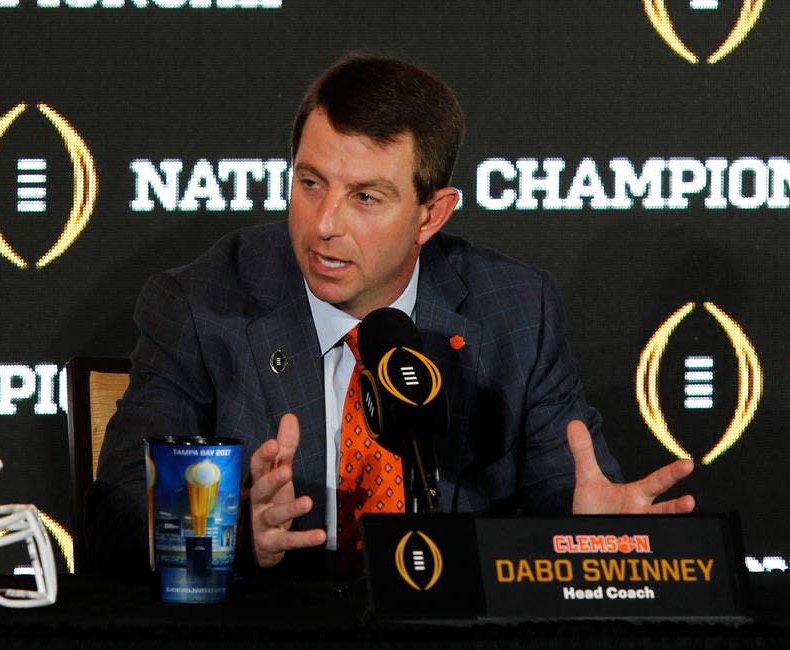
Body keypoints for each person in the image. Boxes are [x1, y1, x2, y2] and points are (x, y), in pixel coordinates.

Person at [84, 55, 694, 577]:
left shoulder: (514, 312)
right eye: (310, 183)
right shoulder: (201, 305)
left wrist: (587, 535)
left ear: (431, 215)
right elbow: (114, 513)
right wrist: (233, 531)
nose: (324, 225)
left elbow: (570, 493)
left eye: (365, 198)